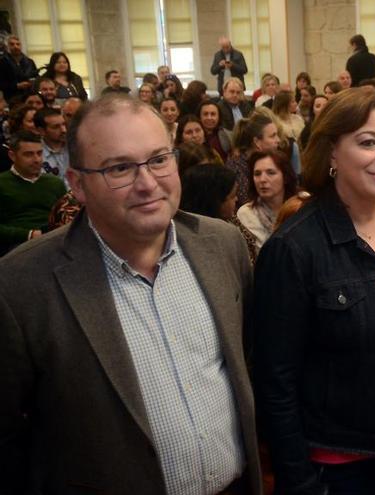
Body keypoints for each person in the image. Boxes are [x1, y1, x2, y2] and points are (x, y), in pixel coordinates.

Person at [0, 95, 262, 493]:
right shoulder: (21, 285)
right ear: (78, 185)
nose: (147, 183)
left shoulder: (222, 245)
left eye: (159, 159)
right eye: (120, 168)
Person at [252, 87, 375, 494]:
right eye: (368, 142)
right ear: (332, 152)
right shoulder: (294, 247)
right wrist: (298, 480)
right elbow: (275, 382)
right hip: (341, 467)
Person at [0, 131, 66, 255]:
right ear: (12, 156)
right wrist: (29, 234)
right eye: (28, 154)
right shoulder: (2, 183)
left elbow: (66, 216)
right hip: (18, 244)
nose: (36, 159)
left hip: (55, 239)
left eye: (39, 153)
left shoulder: (54, 183)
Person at [180, 162, 259, 264]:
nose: (236, 199)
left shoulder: (232, 221)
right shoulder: (198, 243)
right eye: (232, 195)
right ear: (215, 201)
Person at [236, 150, 297, 253]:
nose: (262, 179)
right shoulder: (247, 213)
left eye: (271, 173)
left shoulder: (302, 204)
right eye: (257, 174)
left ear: (285, 177)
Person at [34, 107, 69, 182]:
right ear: (41, 131)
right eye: (56, 127)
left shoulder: (76, 147)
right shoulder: (36, 154)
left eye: (64, 124)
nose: (64, 130)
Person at [0, 35, 38, 102]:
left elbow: (36, 77)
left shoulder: (30, 62)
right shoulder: (2, 62)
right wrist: (16, 86)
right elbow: (1, 84)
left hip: (30, 96)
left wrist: (32, 82)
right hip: (11, 98)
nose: (15, 46)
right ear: (7, 47)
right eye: (12, 44)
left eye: (18, 44)